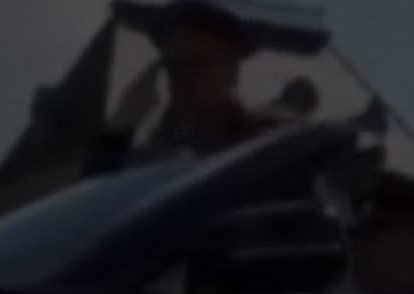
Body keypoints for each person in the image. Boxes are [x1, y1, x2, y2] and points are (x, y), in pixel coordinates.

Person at [86, 0, 286, 174]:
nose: (183, 79)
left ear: (231, 71)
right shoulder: (148, 156)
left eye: (197, 65)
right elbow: (97, 196)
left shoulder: (260, 148)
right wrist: (121, 125)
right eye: (173, 67)